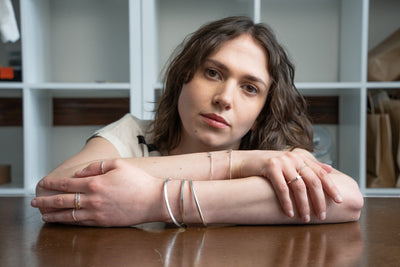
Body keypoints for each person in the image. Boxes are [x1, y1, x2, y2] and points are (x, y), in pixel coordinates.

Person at [31, 16, 363, 227]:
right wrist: (237, 163)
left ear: (264, 109)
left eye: (250, 88)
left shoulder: (277, 156)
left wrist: (152, 202)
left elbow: (348, 200)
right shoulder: (133, 134)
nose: (224, 98)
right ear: (183, 78)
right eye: (213, 73)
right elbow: (50, 189)